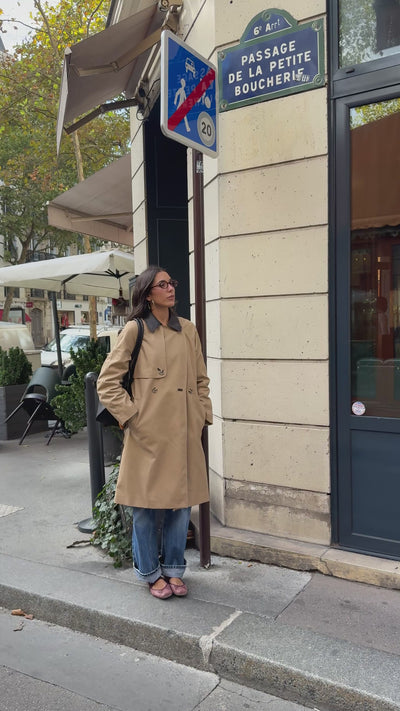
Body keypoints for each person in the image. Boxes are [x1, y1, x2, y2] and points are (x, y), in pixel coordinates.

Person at [97, 266, 212, 599]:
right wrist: (133, 418)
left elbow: (201, 379)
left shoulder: (187, 329)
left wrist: (202, 415)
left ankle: (174, 569)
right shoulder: (135, 330)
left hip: (184, 432)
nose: (171, 288)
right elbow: (107, 382)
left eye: (171, 283)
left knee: (180, 505)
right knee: (145, 507)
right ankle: (150, 572)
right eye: (162, 284)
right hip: (147, 434)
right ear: (148, 294)